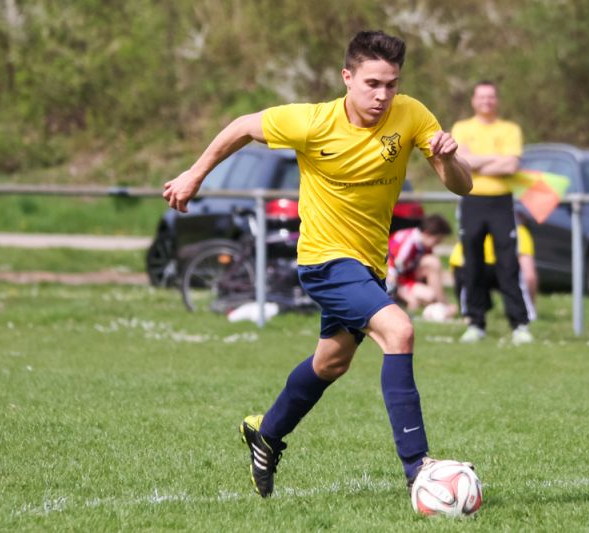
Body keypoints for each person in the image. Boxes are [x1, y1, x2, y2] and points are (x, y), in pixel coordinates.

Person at [162, 30, 472, 498]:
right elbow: (243, 126)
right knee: (399, 330)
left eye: (391, 84)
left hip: (369, 266)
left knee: (331, 362)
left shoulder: (411, 114)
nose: (382, 95)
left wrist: (448, 160)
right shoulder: (311, 122)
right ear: (347, 77)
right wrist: (194, 174)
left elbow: (462, 186)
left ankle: (266, 432)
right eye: (372, 83)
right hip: (324, 262)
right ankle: (419, 468)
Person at [451, 81, 532, 345]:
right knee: (472, 263)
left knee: (508, 264)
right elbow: (460, 161)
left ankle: (519, 324)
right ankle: (475, 323)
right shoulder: (462, 128)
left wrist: (476, 161)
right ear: (473, 100)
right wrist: (493, 158)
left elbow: (511, 165)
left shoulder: (510, 129)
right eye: (481, 97)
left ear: (497, 100)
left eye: (491, 97)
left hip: (501, 203)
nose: (486, 101)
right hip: (471, 201)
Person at [449, 224, 537, 322]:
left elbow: (457, 260)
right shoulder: (517, 230)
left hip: (470, 270)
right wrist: (528, 305)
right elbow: (529, 276)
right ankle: (521, 314)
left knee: (465, 273)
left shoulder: (472, 225)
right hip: (500, 271)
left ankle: (471, 313)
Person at [387, 214, 456, 315]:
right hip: (393, 282)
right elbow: (390, 273)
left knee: (430, 294)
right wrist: (405, 295)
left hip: (406, 278)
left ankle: (441, 305)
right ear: (427, 233)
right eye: (437, 241)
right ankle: (441, 306)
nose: (436, 244)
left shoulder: (422, 244)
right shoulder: (408, 243)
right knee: (429, 294)